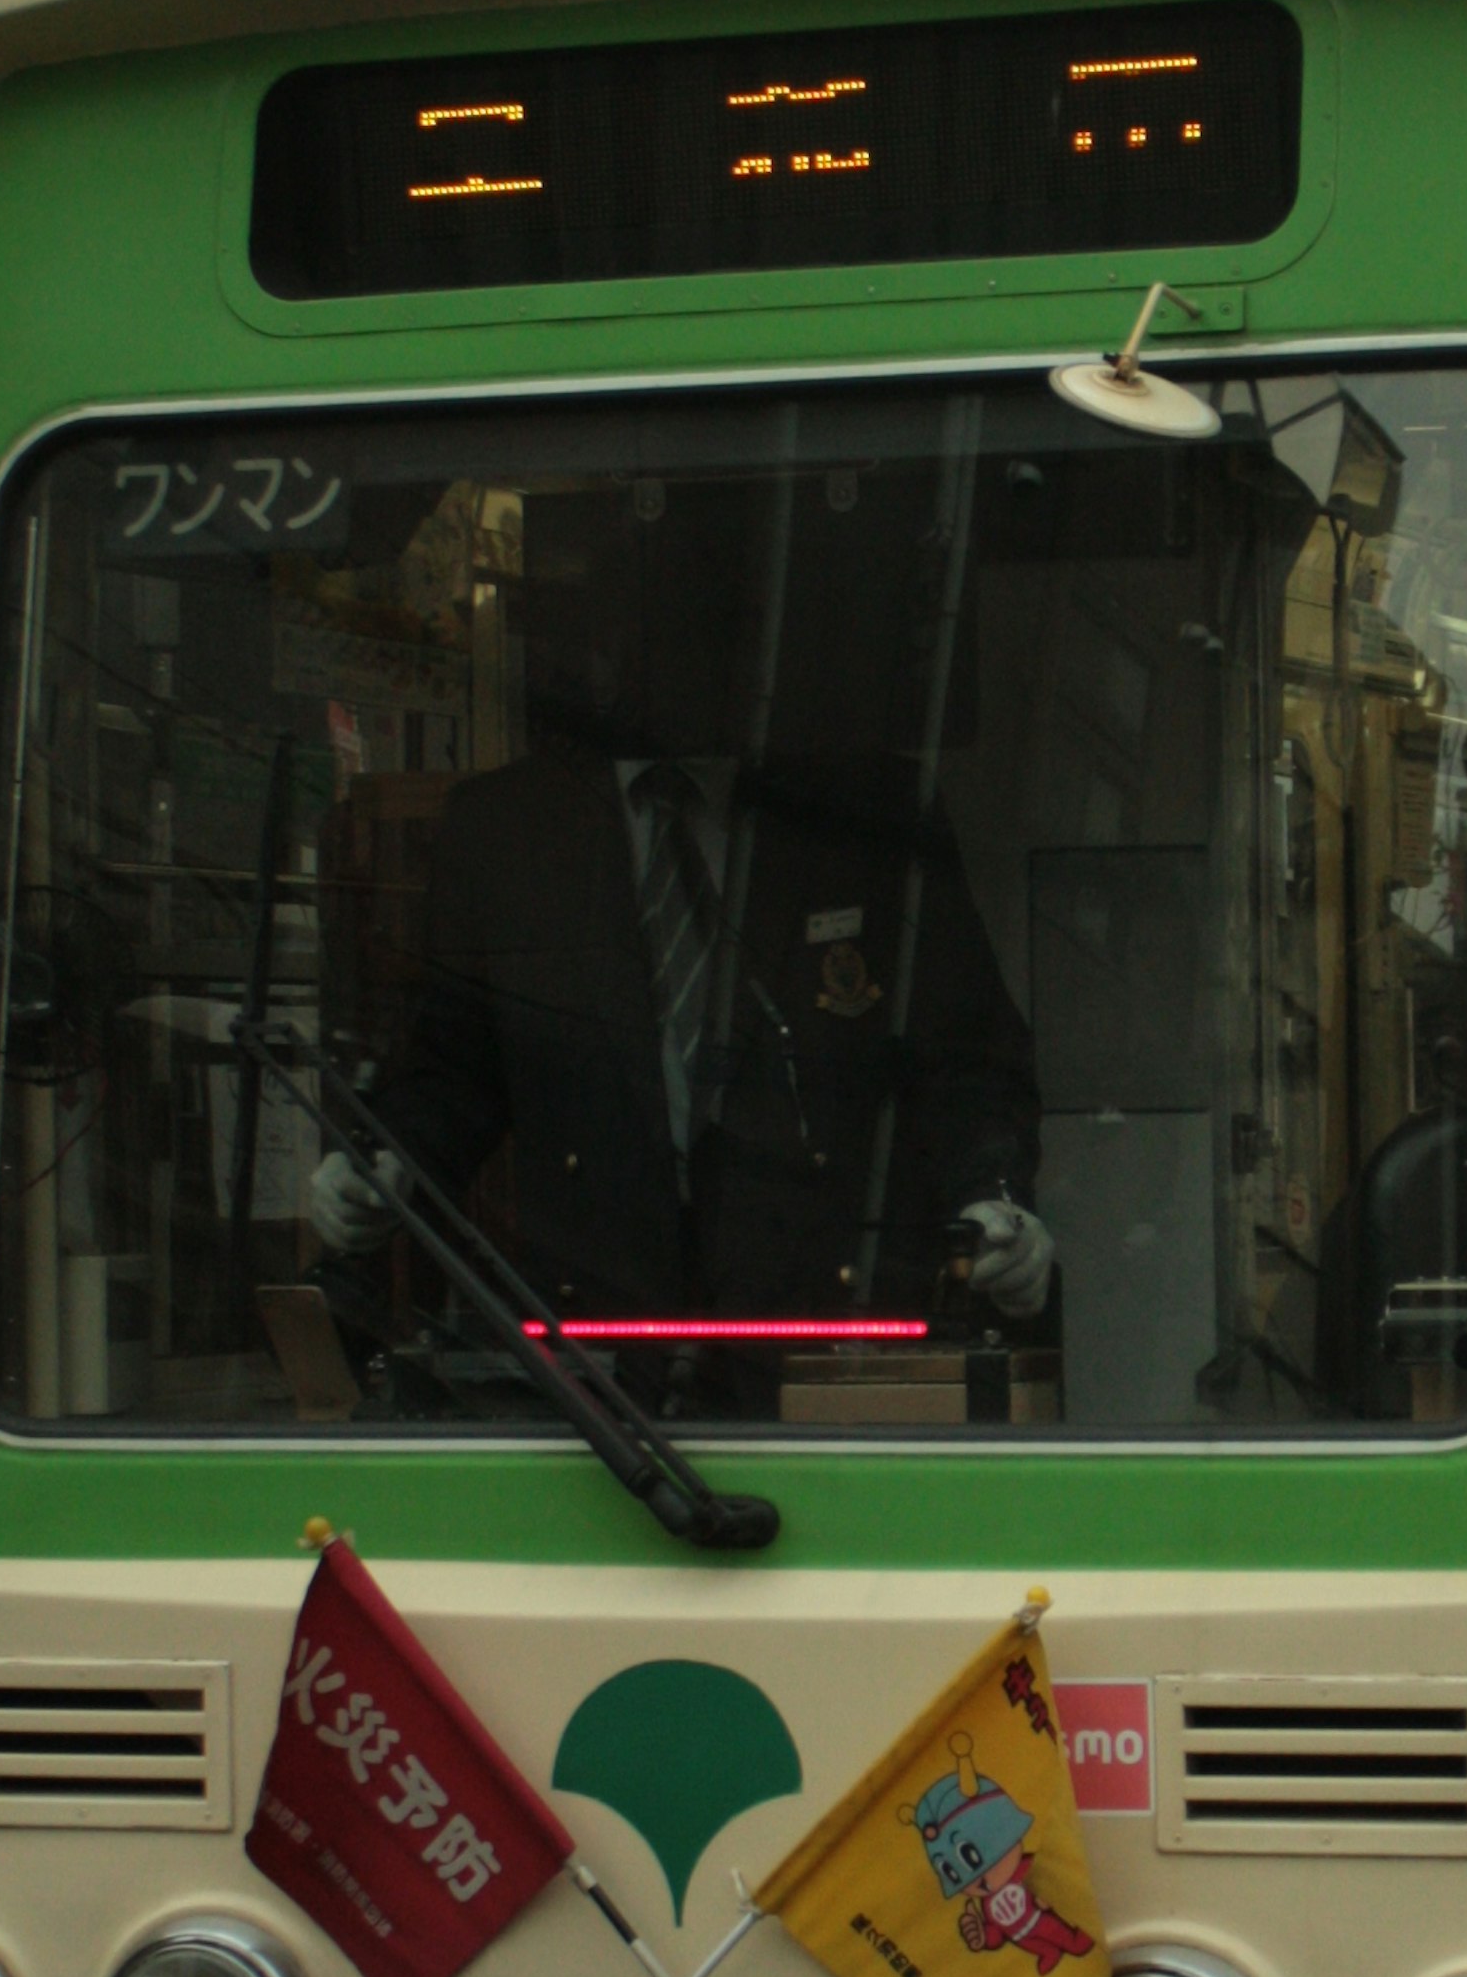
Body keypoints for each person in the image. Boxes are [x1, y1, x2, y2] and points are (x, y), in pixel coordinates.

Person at [311, 482, 1050, 1360]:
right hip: (600, 1336)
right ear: (598, 643)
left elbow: (966, 1057)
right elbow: (454, 1068)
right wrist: (383, 1168)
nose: (673, 656)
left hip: (828, 1322)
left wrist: (995, 1204)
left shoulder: (865, 817)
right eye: (639, 624)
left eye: (710, 621)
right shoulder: (507, 832)